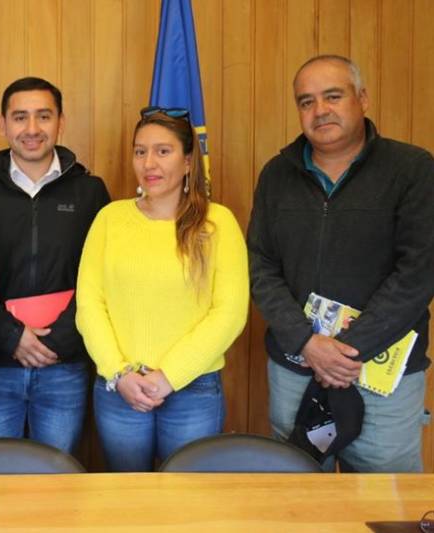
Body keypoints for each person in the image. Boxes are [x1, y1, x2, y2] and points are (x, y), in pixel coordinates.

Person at [247, 55, 434, 472]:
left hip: (380, 375)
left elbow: (419, 272)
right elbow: (260, 267)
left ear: (362, 98)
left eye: (333, 96)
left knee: (384, 502)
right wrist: (308, 344)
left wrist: (346, 352)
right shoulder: (277, 175)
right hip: (297, 366)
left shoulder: (413, 169)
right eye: (307, 101)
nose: (320, 111)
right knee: (297, 494)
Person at [76, 107, 249, 472]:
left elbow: (230, 312)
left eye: (162, 151)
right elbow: (90, 305)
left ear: (188, 162)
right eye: (140, 151)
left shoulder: (218, 222)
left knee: (189, 508)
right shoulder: (110, 219)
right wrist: (119, 373)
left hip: (194, 390)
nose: (149, 163)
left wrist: (168, 376)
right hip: (120, 389)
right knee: (127, 503)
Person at [0, 77, 110, 454]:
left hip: (64, 364)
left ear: (61, 122)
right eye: (20, 117)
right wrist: (10, 337)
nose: (32, 129)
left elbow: (102, 279)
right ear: (3, 124)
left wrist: (56, 341)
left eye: (43, 116)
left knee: (56, 481)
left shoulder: (90, 192)